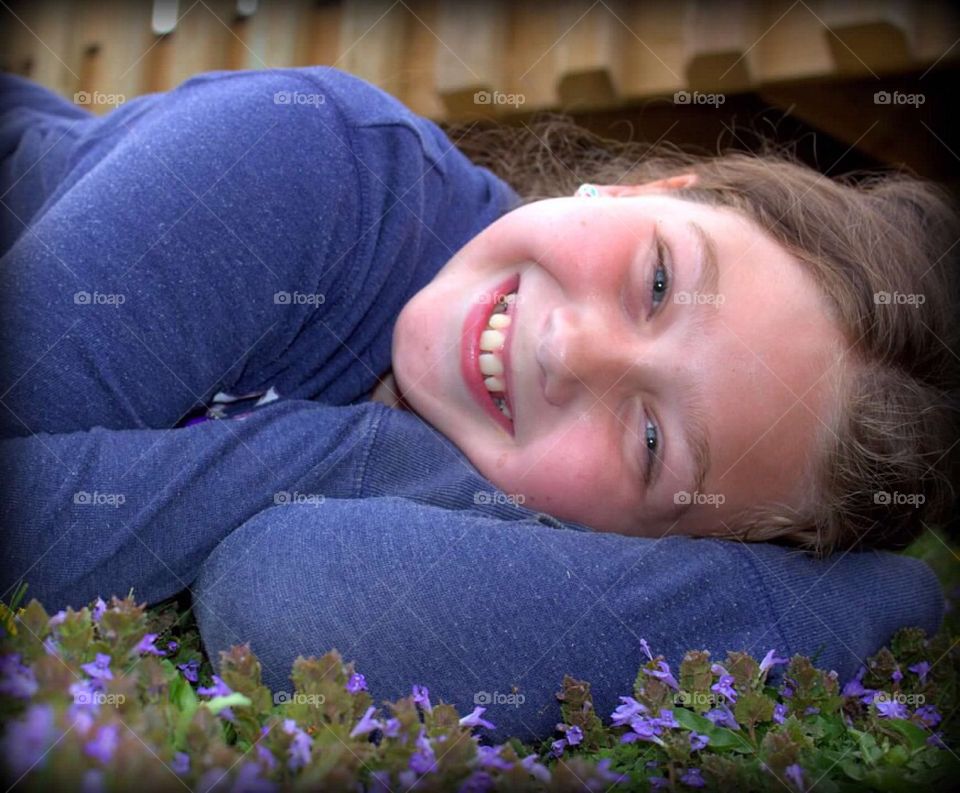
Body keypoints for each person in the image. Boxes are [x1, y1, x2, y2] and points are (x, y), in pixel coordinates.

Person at [0, 65, 952, 742]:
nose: (571, 347)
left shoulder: (513, 502)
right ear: (653, 186)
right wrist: (356, 455)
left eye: (654, 439)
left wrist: (801, 607)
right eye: (659, 280)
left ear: (657, 545)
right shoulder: (308, 158)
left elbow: (303, 589)